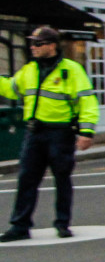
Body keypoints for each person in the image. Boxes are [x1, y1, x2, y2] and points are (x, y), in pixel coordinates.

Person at [0, 27, 99, 241]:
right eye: (32, 43)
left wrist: (86, 131)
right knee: (26, 179)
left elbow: (87, 101)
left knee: (62, 179)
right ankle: (19, 226)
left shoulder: (71, 70)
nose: (33, 47)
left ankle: (62, 224)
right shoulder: (29, 70)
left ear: (52, 45)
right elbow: (10, 88)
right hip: (34, 134)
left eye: (38, 43)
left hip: (60, 133)